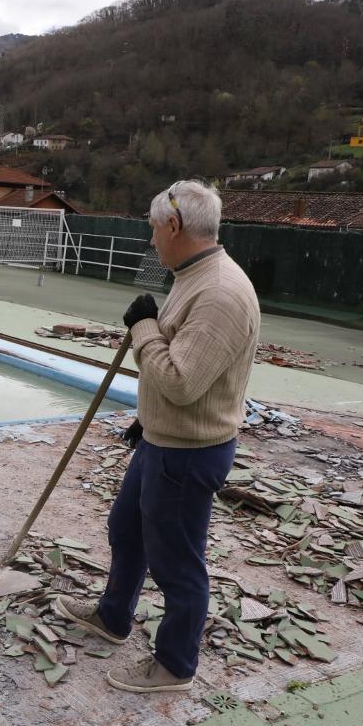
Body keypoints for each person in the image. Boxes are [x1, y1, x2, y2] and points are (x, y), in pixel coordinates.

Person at [53, 179, 260, 693]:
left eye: (152, 230)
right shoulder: (191, 274)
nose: (150, 241)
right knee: (127, 530)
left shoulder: (218, 293)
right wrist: (147, 418)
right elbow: (179, 367)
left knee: (177, 563)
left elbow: (183, 382)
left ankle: (174, 665)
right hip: (163, 440)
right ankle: (113, 616)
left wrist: (143, 327)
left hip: (189, 453)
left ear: (174, 225)